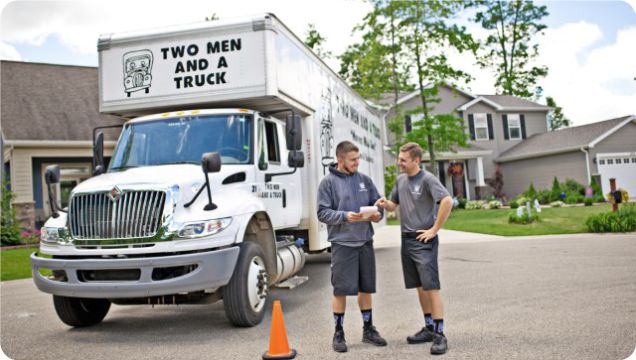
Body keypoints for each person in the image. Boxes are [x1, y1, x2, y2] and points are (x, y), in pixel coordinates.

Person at [375, 142, 453, 355]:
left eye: (402, 160)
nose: (398, 162)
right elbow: (394, 204)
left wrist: (434, 229)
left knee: (431, 287)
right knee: (419, 286)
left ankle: (439, 334)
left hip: (423, 240)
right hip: (406, 241)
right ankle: (428, 327)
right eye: (399, 158)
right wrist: (385, 204)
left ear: (416, 161)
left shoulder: (428, 179)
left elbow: (447, 200)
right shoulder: (400, 180)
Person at [317, 140, 387, 353]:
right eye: (353, 160)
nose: (357, 163)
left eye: (358, 159)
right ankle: (339, 332)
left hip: (365, 241)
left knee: (366, 288)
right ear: (340, 159)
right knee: (341, 290)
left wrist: (377, 214)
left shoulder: (365, 180)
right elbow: (322, 213)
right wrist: (345, 216)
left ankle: (368, 329)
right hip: (342, 244)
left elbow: (378, 207)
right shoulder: (327, 183)